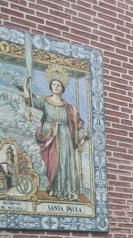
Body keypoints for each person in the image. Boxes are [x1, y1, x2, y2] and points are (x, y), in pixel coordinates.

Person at [22, 71, 87, 200]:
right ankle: (54, 188)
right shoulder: (45, 101)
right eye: (54, 84)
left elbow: (78, 124)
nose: (56, 87)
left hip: (66, 137)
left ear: (62, 88)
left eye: (58, 85)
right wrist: (25, 84)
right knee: (53, 163)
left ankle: (69, 190)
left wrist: (81, 138)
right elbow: (30, 100)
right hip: (50, 136)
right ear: (51, 86)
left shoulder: (69, 108)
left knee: (66, 163)